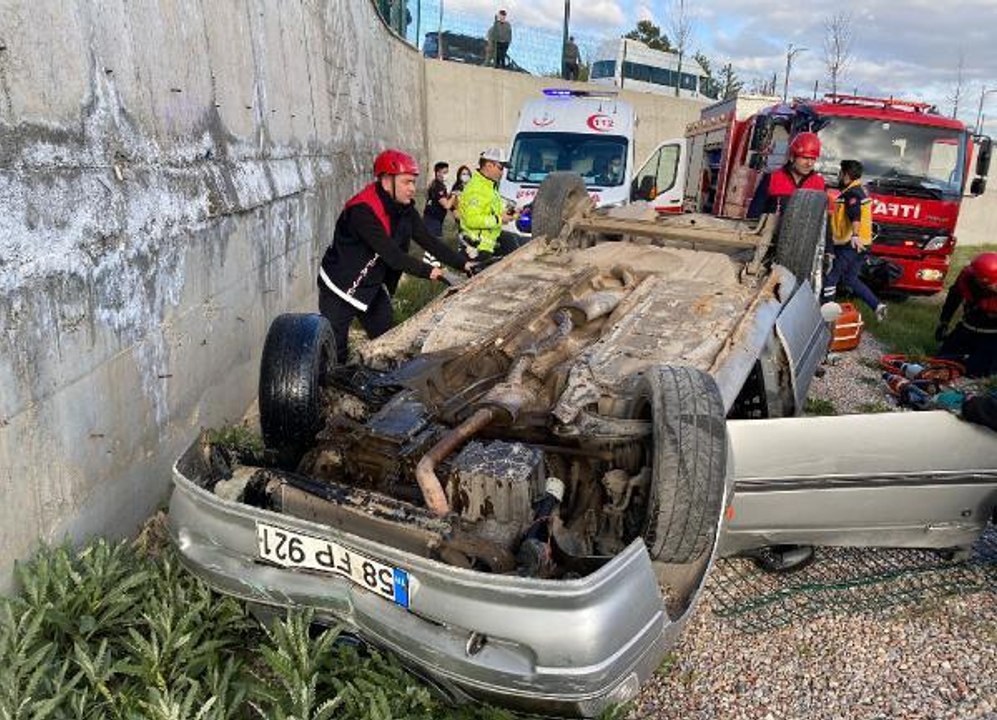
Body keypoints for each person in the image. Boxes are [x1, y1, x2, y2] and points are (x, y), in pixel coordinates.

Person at [317, 149, 473, 364]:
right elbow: (394, 256)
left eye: (413, 182)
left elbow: (429, 240)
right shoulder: (362, 210)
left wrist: (464, 264)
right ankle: (329, 389)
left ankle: (381, 381)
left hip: (372, 284)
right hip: (340, 285)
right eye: (406, 182)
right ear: (386, 180)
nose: (412, 189)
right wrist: (436, 273)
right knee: (335, 354)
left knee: (387, 342)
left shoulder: (404, 208)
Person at [822, 160, 887, 321]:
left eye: (840, 173)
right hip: (863, 245)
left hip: (849, 244)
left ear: (846, 175)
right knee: (850, 279)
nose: (839, 176)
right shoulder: (860, 190)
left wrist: (855, 236)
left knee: (831, 276)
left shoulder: (852, 193)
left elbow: (855, 214)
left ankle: (825, 313)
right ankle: (877, 305)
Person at [935, 251, 997, 378]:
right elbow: (954, 297)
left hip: (993, 334)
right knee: (942, 360)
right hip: (968, 326)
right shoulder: (967, 278)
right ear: (981, 280)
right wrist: (944, 322)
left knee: (978, 370)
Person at [457, 147, 520, 261]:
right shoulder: (476, 189)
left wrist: (512, 213)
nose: (502, 173)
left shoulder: (490, 186)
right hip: (476, 249)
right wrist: (499, 219)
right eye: (500, 168)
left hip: (487, 247)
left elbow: (494, 212)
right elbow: (472, 220)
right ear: (489, 165)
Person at [746, 131, 826, 219]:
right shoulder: (772, 179)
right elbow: (753, 214)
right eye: (805, 158)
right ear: (792, 157)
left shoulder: (819, 184)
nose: (809, 163)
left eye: (813, 159)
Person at [423, 161, 453, 239]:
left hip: (434, 220)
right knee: (434, 247)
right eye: (445, 172)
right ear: (438, 173)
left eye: (447, 172)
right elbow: (446, 205)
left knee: (432, 247)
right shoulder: (438, 186)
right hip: (432, 221)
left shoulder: (437, 184)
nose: (447, 175)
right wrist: (454, 195)